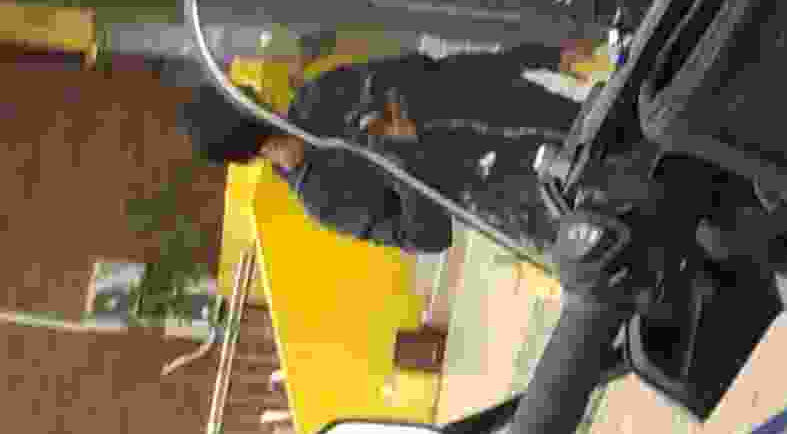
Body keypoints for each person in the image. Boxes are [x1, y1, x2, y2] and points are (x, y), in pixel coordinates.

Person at [178, 52, 584, 258]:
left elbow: (437, 71)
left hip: (551, 117)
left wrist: (534, 57)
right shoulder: (324, 197)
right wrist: (405, 159)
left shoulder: (320, 94)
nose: (250, 89)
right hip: (538, 198)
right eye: (239, 93)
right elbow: (428, 236)